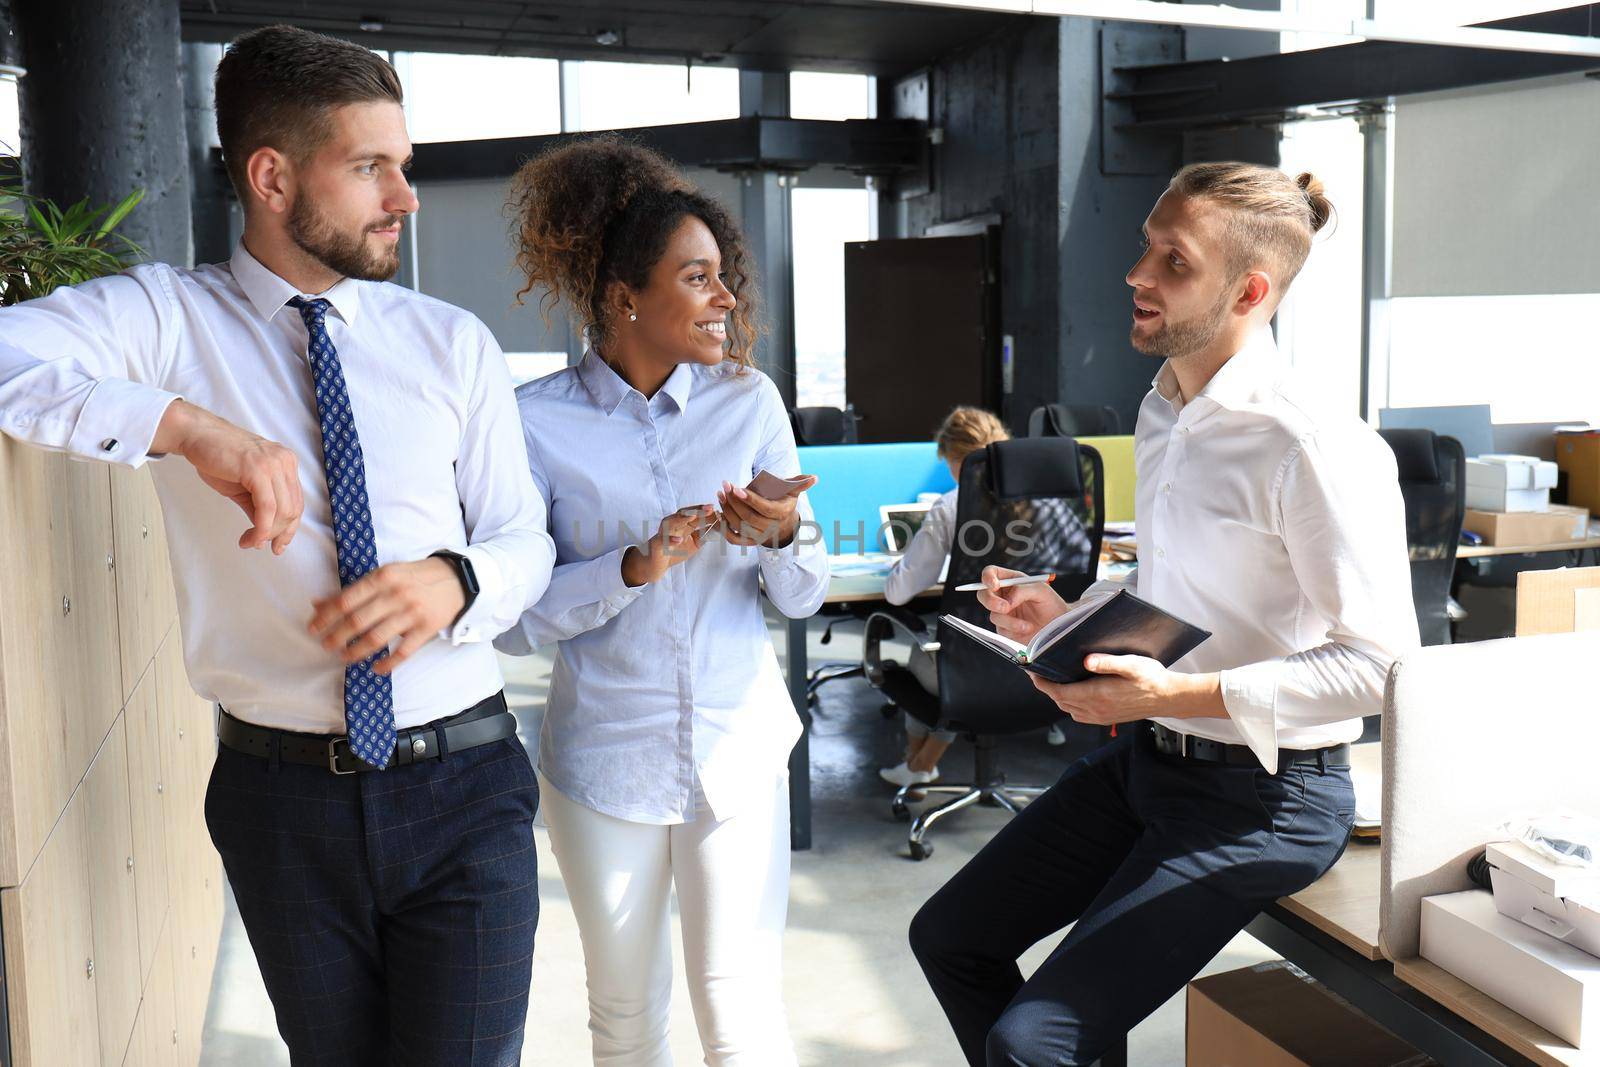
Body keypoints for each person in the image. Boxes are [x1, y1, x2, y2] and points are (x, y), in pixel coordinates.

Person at [0, 26, 554, 1065]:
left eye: (405, 165)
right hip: (279, 801)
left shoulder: (450, 343)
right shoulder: (167, 320)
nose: (406, 196)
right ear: (271, 175)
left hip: (464, 783)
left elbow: (525, 537)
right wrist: (186, 425)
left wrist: (455, 578)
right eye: (370, 167)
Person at [908, 162, 1420, 1066]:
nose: (1137, 274)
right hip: (1150, 766)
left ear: (1249, 291)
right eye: (1147, 246)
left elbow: (1381, 665)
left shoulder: (1314, 445)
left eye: (1172, 261)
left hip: (1269, 796)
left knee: (1032, 1043)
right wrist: (1065, 612)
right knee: (950, 936)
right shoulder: (1164, 412)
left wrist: (1167, 697)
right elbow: (1178, 587)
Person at [495, 136, 827, 1066]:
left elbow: (801, 596)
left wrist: (780, 536)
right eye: (698, 277)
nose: (726, 299)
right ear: (624, 296)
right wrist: (632, 567)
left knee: (740, 1011)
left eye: (725, 278)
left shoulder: (749, 401)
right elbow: (520, 621)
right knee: (628, 1018)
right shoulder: (535, 422)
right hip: (605, 758)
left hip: (738, 741)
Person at [879, 405, 1011, 789]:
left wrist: (898, 566)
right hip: (1032, 656)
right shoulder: (1042, 500)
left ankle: (919, 766)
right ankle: (919, 765)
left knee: (927, 654)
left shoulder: (952, 505)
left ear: (955, 460)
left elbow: (899, 592)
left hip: (973, 662)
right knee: (951, 656)